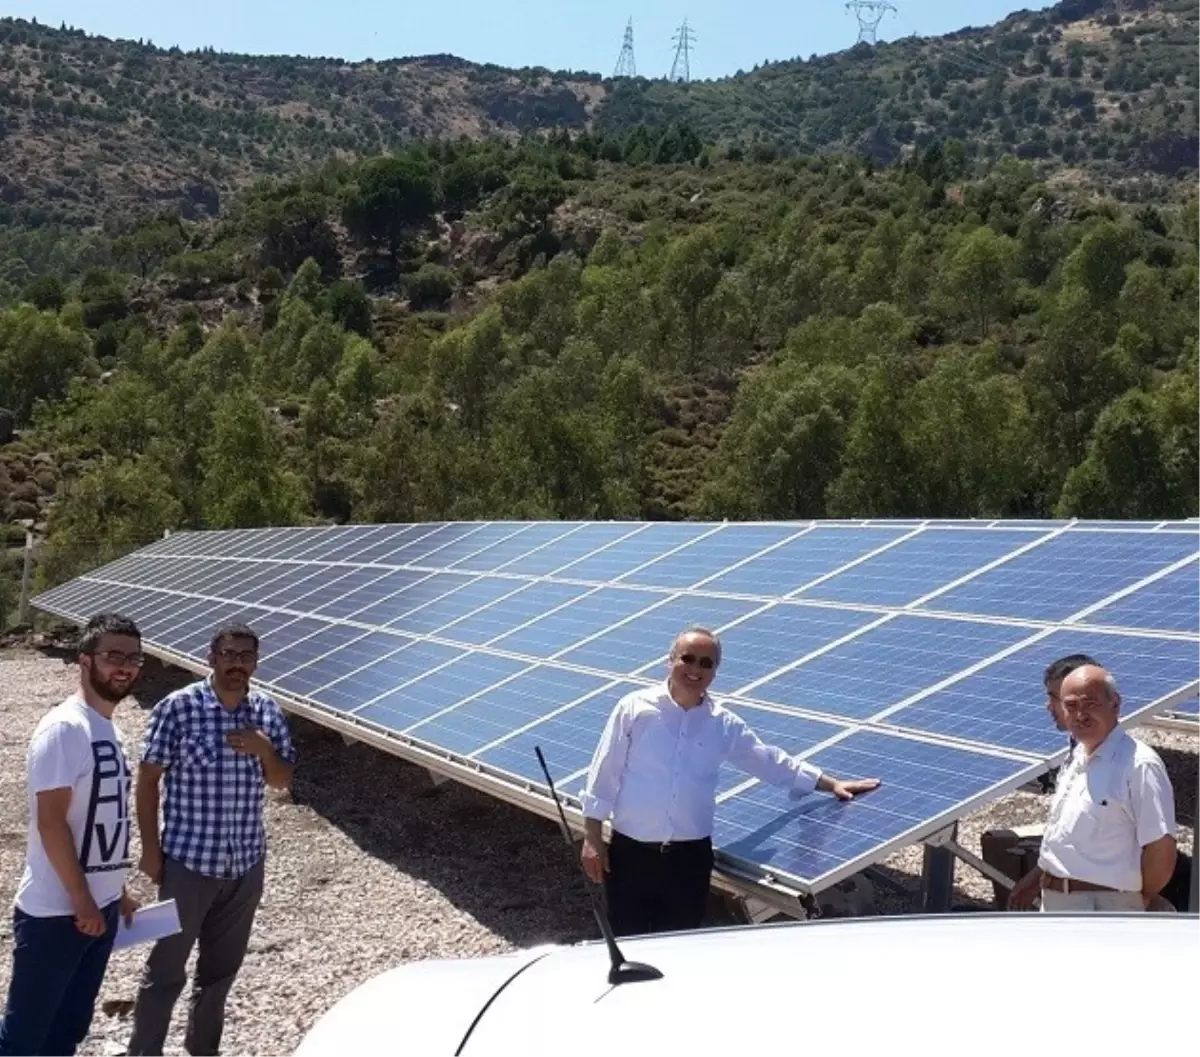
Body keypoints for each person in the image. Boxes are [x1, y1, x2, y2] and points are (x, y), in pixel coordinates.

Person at [579, 625, 880, 937]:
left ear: (714, 671)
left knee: (679, 945)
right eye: (688, 658)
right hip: (631, 855)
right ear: (670, 661)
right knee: (628, 942)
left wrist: (829, 784)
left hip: (689, 861)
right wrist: (592, 836)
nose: (696, 669)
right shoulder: (634, 708)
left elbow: (769, 760)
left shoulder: (722, 724)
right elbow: (604, 772)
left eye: (706, 663)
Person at [126, 623, 296, 1057]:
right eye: (229, 654)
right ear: (211, 657)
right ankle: (144, 1052)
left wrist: (264, 750)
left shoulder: (267, 713)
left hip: (245, 866)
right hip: (188, 866)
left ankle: (204, 1050)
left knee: (220, 974)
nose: (237, 663)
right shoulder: (179, 708)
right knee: (165, 970)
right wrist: (150, 851)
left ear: (255, 663)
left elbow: (280, 781)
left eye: (246, 656)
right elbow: (148, 781)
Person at [0, 613, 144, 1057]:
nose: (124, 666)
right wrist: (82, 899)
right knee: (25, 1039)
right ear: (84, 660)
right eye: (112, 655)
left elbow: (101, 818)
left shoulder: (112, 731)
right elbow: (51, 822)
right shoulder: (66, 728)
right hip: (56, 915)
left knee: (68, 1030)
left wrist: (113, 889)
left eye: (133, 658)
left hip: (97, 909)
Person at [1008, 664, 1177, 912]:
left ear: (1115, 704)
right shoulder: (1076, 758)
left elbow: (1160, 846)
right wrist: (1039, 877)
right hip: (1057, 901)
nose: (1080, 715)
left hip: (1106, 907)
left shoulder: (1139, 764)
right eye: (1071, 706)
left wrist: (1135, 899)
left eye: (1090, 704)